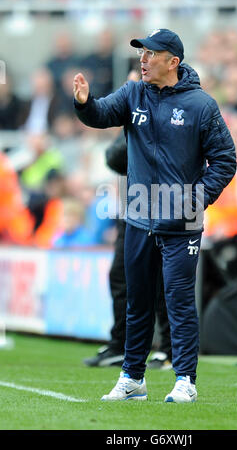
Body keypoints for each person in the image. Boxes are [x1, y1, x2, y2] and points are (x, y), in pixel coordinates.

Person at [73, 29, 236, 403]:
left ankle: (185, 381)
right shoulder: (132, 94)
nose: (143, 60)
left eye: (150, 53)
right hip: (138, 216)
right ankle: (132, 378)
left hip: (182, 222)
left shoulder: (202, 105)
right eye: (141, 53)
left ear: (172, 62)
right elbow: (100, 114)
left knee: (178, 301)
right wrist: (85, 103)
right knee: (138, 301)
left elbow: (225, 161)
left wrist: (197, 199)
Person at [83, 128, 172, 369]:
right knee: (121, 277)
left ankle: (170, 351)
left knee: (166, 282)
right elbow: (114, 158)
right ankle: (120, 345)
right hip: (131, 207)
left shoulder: (181, 111)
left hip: (168, 206)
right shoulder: (135, 114)